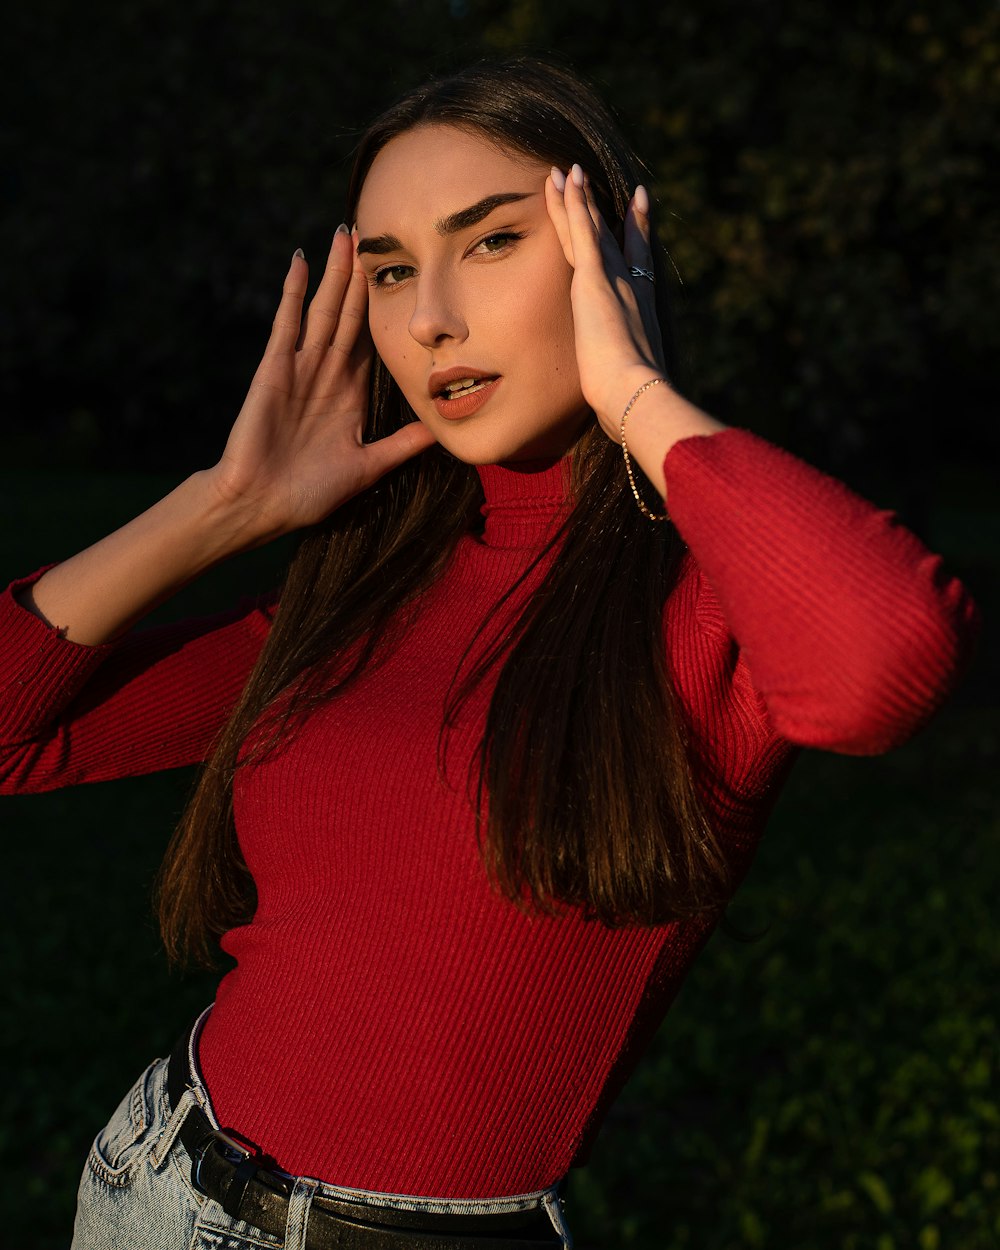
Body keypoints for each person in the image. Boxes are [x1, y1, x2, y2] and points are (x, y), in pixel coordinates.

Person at [0, 56, 979, 1250]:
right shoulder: (360, 593)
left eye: (492, 242)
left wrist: (633, 391)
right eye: (394, 270)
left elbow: (889, 659)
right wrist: (227, 504)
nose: (428, 319)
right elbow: (14, 730)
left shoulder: (703, 607)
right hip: (157, 1187)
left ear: (607, 249)